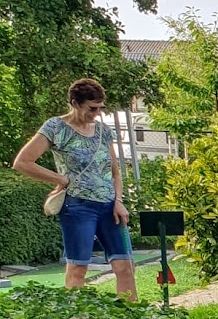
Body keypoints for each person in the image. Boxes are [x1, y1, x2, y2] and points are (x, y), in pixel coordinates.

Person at [11, 78, 136, 300]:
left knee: (125, 266)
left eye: (100, 108)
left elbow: (115, 172)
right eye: (92, 108)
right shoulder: (55, 127)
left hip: (109, 206)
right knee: (78, 268)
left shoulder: (103, 131)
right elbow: (22, 162)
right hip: (77, 207)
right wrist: (61, 179)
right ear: (74, 103)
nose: (97, 113)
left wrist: (118, 200)